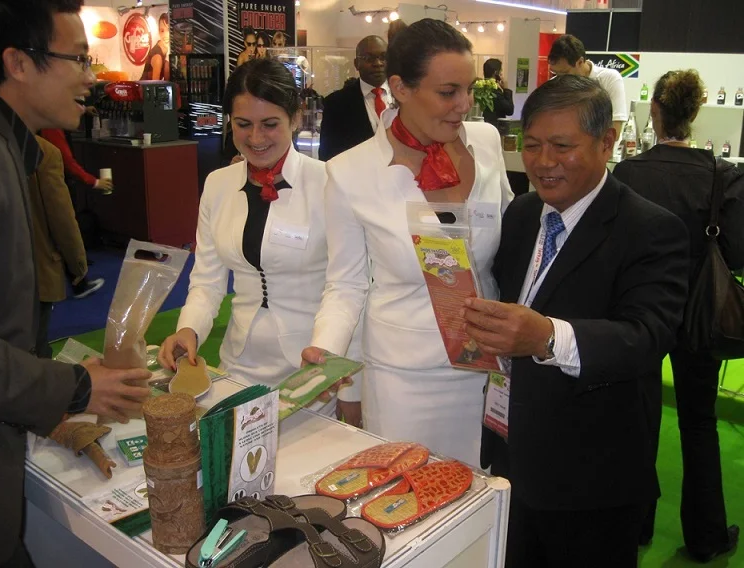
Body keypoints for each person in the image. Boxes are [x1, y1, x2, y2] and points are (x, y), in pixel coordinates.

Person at [461, 74, 689, 567]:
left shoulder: (650, 229)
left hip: (592, 476)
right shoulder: (523, 214)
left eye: (562, 146)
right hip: (512, 456)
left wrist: (546, 336)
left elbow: (647, 336)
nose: (543, 162)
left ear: (607, 142)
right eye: (532, 145)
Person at [302, 19, 514, 466]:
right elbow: (346, 284)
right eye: (448, 92)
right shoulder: (350, 172)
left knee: (484, 491)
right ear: (400, 87)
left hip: (486, 368)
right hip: (405, 378)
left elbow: (513, 240)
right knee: (407, 490)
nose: (464, 105)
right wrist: (326, 349)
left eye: (468, 89)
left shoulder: (486, 143)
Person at [0, 1, 152, 566]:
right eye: (78, 59)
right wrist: (74, 387)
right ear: (18, 62)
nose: (90, 77)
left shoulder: (13, 148)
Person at [158, 58, 357, 415]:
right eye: (243, 124)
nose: (255, 138)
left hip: (309, 368)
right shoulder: (217, 185)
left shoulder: (330, 183)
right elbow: (207, 280)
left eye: (270, 124)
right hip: (238, 363)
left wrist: (325, 349)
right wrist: (189, 329)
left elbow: (345, 286)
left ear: (295, 118)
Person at [613, 69, 743, 563]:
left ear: (656, 111)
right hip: (699, 315)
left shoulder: (627, 174)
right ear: (695, 113)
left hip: (639, 314)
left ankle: (635, 526)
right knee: (699, 422)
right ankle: (707, 537)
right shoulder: (720, 175)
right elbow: (738, 252)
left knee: (639, 421)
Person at [29, 136, 103, 358]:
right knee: (35, 352)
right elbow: (62, 219)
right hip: (35, 269)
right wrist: (78, 265)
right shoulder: (43, 152)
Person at [318, 35, 390, 161]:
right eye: (369, 58)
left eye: (383, 57)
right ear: (356, 64)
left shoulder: (407, 97)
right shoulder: (336, 103)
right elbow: (328, 155)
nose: (378, 63)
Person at [548, 34, 627, 134]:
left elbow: (615, 130)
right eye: (555, 73)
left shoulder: (609, 79)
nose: (559, 78)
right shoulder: (553, 85)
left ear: (580, 62)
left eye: (564, 73)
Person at [480, 58, 514, 128]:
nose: (502, 74)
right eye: (501, 71)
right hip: (495, 127)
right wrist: (506, 89)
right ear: (496, 73)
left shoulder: (481, 87)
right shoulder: (494, 91)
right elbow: (509, 110)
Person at [140, 13, 170, 81]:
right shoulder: (157, 57)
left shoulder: (165, 51)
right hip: (144, 87)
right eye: (162, 31)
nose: (165, 35)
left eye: (168, 30)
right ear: (159, 31)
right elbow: (155, 84)